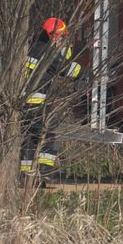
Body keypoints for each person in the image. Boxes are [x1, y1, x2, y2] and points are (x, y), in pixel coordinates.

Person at [21, 17, 82, 183]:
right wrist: (85, 73)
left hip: (22, 105)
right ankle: (45, 173)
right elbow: (67, 69)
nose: (62, 41)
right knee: (46, 135)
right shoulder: (46, 53)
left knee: (29, 138)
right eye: (61, 37)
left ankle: (27, 176)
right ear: (52, 36)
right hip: (35, 104)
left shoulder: (34, 49)